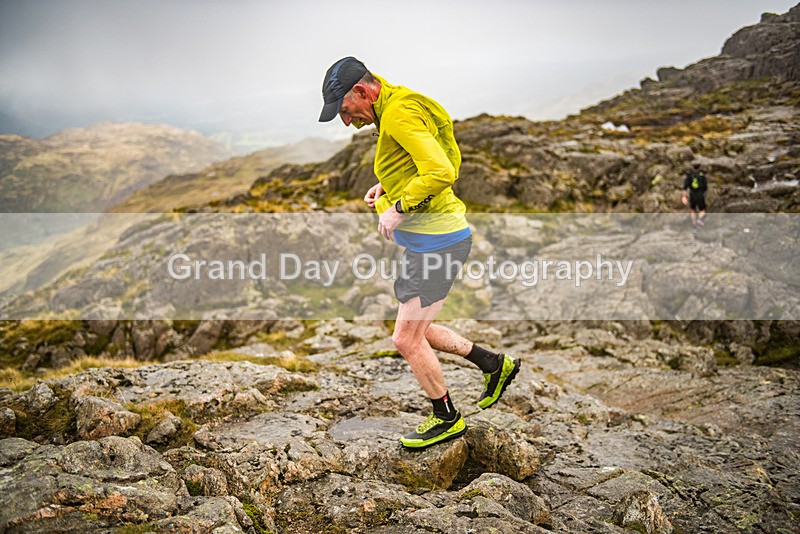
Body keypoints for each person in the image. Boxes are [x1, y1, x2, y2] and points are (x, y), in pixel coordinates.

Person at [319, 57, 520, 449]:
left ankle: (446, 418)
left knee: (405, 339)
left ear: (362, 91)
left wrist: (399, 206)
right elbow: (425, 155)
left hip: (437, 242)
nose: (346, 122)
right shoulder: (395, 104)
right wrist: (388, 185)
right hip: (434, 238)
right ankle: (495, 365)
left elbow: (441, 170)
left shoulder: (397, 114)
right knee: (418, 329)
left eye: (345, 110)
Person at [682, 162, 708, 229]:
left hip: (692, 194)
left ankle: (694, 226)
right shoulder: (702, 175)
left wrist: (684, 197)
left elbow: (685, 187)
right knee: (702, 210)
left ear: (692, 167)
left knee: (692, 210)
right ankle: (700, 221)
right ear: (699, 167)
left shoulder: (689, 175)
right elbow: (705, 187)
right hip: (700, 194)